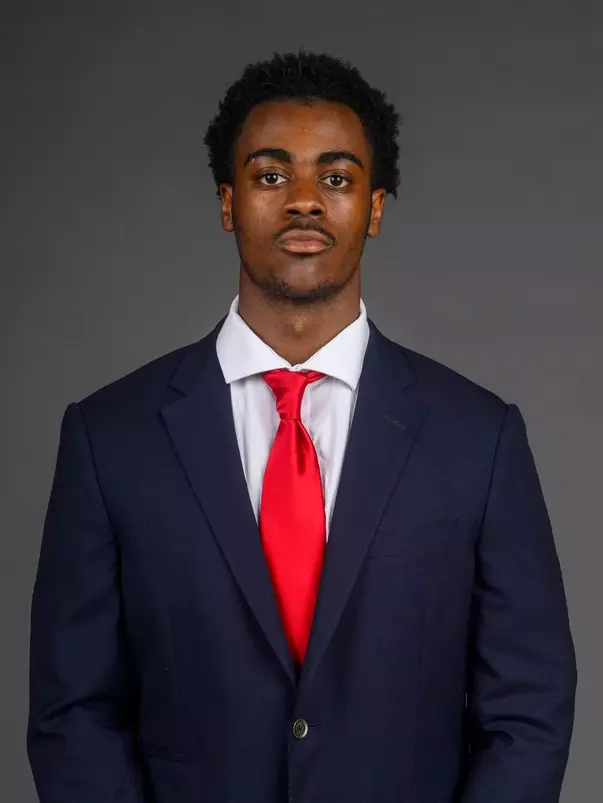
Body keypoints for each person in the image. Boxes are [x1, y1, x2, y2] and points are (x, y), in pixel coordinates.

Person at [27, 50, 577, 803]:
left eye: (338, 177)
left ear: (375, 208)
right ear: (227, 202)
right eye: (270, 174)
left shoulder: (476, 439)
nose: (305, 201)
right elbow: (73, 710)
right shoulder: (109, 437)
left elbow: (528, 711)